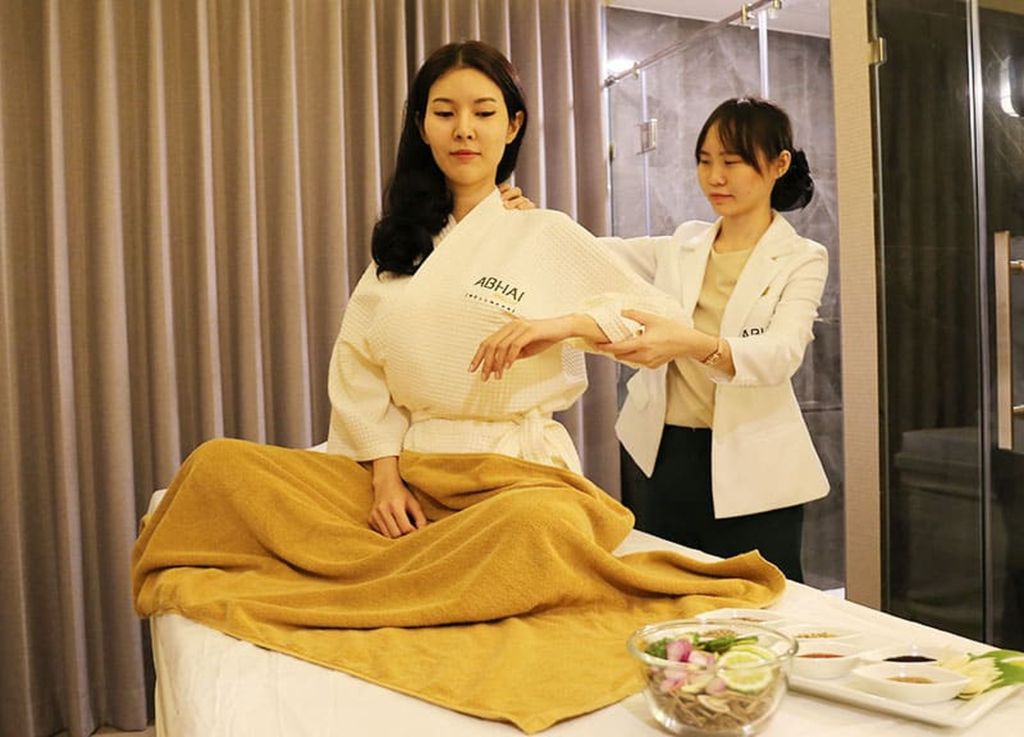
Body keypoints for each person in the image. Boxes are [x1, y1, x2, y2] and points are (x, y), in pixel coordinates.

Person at [132, 46, 785, 730]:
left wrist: (563, 324)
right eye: (444, 113)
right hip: (412, 475)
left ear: (513, 125)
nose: (464, 129)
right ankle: (416, 571)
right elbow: (359, 369)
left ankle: (374, 581)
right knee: (219, 466)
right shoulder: (401, 248)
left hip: (512, 478)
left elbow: (665, 322)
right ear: (423, 126)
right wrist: (384, 478)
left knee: (539, 527)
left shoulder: (542, 233)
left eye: (483, 112)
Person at [487, 98, 828, 581]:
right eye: (705, 161)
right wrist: (530, 221)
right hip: (664, 454)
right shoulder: (684, 243)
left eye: (732, 162)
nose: (715, 177)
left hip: (755, 468)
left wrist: (689, 343)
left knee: (764, 600)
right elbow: (593, 254)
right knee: (667, 593)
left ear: (779, 164)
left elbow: (781, 354)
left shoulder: (802, 257)